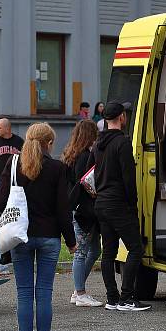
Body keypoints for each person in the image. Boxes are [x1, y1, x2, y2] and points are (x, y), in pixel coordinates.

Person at [0, 123, 76, 331]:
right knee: (44, 294)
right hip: (50, 237)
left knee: (23, 294)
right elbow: (64, 209)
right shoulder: (57, 168)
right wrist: (71, 241)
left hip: (21, 237)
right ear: (48, 143)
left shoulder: (13, 165)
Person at [92, 101, 151, 312]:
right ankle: (127, 297)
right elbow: (129, 179)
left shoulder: (98, 143)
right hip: (118, 203)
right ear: (122, 118)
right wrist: (133, 205)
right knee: (136, 248)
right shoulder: (123, 143)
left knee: (108, 252)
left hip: (102, 203)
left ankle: (112, 298)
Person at [60, 120, 102, 308]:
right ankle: (80, 292)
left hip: (74, 206)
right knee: (83, 251)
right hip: (84, 209)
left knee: (93, 250)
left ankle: (79, 289)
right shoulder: (86, 156)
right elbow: (88, 182)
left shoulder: (70, 155)